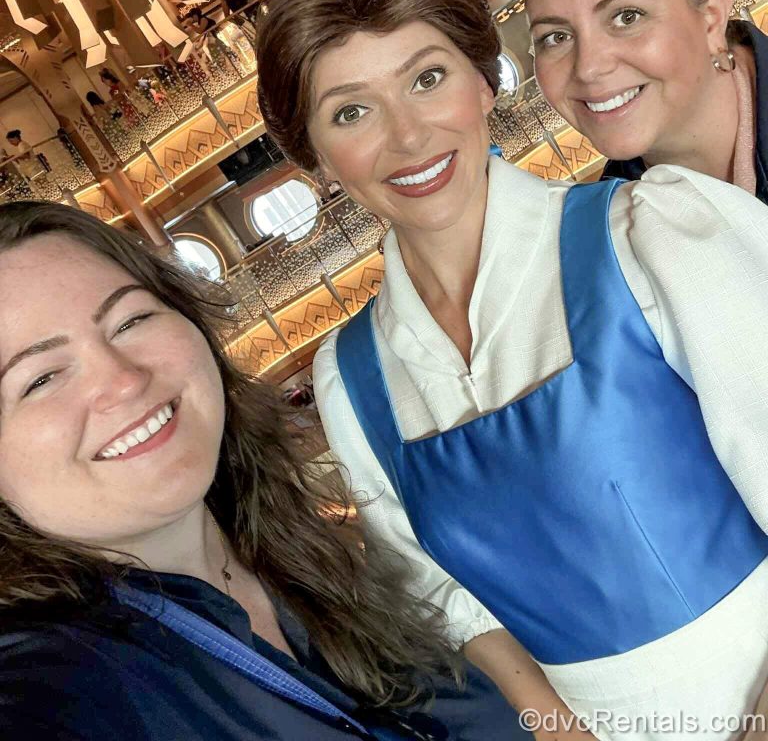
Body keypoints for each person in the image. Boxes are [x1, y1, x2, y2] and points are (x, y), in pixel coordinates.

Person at [256, 0, 768, 741]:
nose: (408, 136)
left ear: (484, 82)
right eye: (350, 111)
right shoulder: (348, 378)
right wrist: (557, 726)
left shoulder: (653, 230)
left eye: (427, 78)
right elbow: (441, 595)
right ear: (315, 158)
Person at [0, 200, 524, 741]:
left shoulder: (303, 549)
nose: (124, 380)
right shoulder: (47, 686)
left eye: (130, 320)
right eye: (39, 379)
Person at [524, 0, 768, 202]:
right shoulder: (603, 236)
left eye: (627, 16)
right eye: (556, 37)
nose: (588, 68)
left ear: (712, 18)